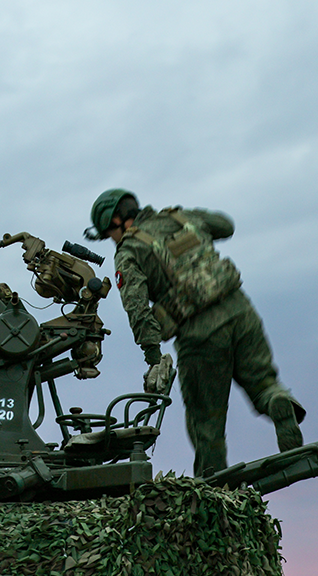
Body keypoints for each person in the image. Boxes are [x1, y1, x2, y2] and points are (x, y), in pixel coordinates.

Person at [85, 188, 305, 477]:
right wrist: (188, 223)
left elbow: (136, 307)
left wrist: (153, 355)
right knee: (264, 383)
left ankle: (215, 487)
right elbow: (225, 225)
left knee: (206, 422)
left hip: (200, 335)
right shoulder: (180, 217)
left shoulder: (129, 251)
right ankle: (277, 400)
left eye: (109, 234)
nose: (112, 241)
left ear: (116, 221)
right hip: (241, 311)